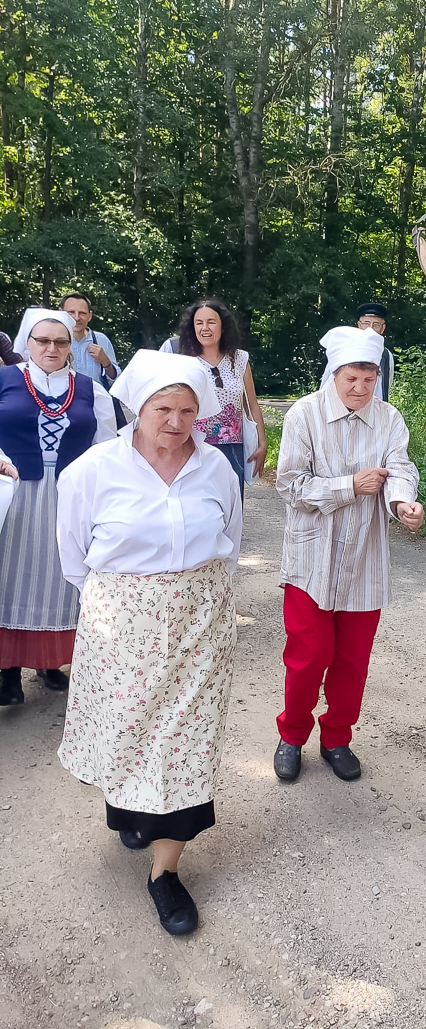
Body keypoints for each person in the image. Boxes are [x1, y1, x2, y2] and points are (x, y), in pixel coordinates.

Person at [56, 349, 242, 937]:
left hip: (201, 619)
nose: (175, 421)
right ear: (139, 407)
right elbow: (73, 555)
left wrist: (195, 597)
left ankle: (165, 873)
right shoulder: (91, 471)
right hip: (122, 621)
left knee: (185, 738)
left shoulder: (216, 468)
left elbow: (229, 541)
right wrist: (124, 605)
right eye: (163, 408)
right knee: (129, 727)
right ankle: (131, 810)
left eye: (188, 410)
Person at [273, 325, 423, 785]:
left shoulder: (388, 418)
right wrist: (348, 486)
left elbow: (400, 467)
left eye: (369, 378)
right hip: (311, 561)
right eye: (350, 379)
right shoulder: (305, 415)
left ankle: (337, 737)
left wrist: (403, 503)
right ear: (333, 374)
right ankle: (292, 735)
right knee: (307, 656)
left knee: (353, 660)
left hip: (365, 558)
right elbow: (290, 485)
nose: (360, 388)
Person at [0, 309, 116, 705]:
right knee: (10, 575)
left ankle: (51, 661)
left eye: (61, 342)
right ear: (26, 344)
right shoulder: (4, 380)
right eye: (43, 341)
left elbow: (105, 448)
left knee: (61, 577)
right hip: (14, 494)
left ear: (71, 346)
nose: (51, 348)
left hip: (70, 498)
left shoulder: (89, 389)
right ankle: (7, 670)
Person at [172, 299, 267, 492]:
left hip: (232, 448)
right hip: (193, 447)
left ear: (223, 325)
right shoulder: (184, 362)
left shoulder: (240, 359)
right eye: (199, 323)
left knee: (231, 506)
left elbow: (252, 405)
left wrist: (262, 443)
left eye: (211, 322)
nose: (205, 328)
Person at [320, 302, 396, 401]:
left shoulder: (386, 355)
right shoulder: (345, 349)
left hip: (375, 410)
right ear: (359, 325)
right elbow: (328, 379)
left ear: (383, 328)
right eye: (366, 323)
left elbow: (387, 384)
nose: (370, 329)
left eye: (376, 325)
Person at [60, 293, 121, 384]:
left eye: (82, 313)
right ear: (61, 313)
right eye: (71, 312)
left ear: (90, 316)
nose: (76, 318)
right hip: (64, 397)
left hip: (95, 397)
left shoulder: (100, 340)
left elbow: (116, 382)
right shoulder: (54, 342)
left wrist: (106, 363)